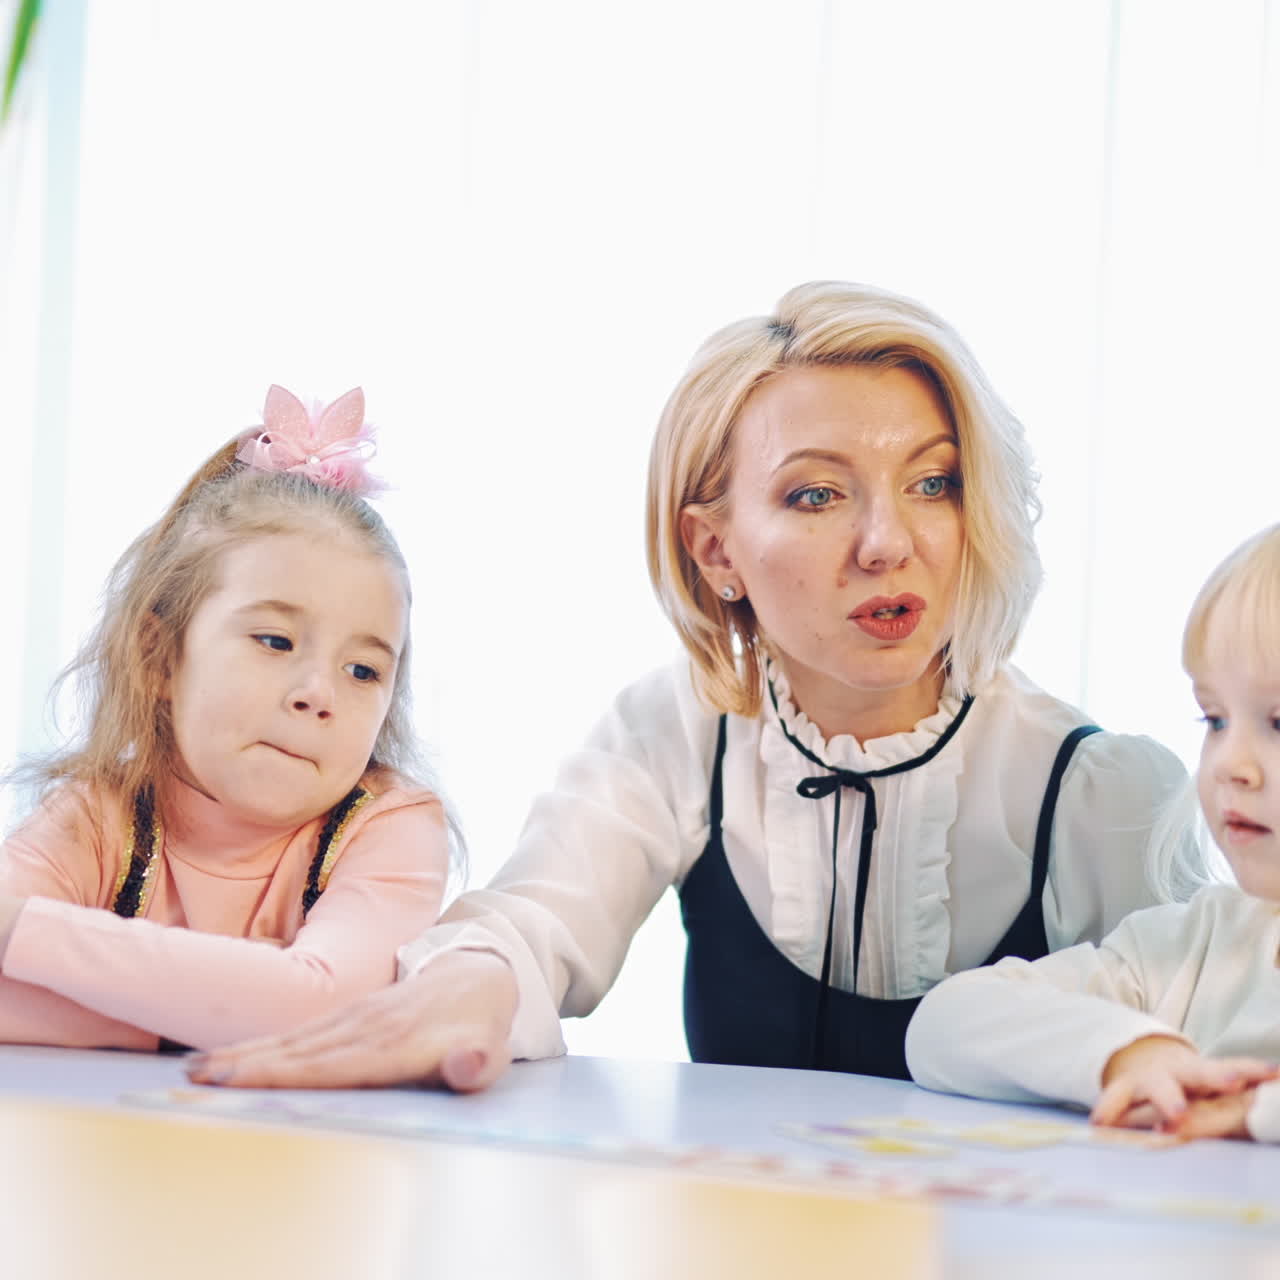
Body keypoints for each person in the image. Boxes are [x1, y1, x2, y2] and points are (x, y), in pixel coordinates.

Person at [187, 282, 1193, 1092]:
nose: (890, 543)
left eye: (933, 481)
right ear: (715, 550)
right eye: (816, 493)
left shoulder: (1099, 791)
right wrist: (468, 988)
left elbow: (1207, 1057)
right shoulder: (675, 730)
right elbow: (534, 920)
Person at [0, 385, 451, 1051]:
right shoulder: (97, 816)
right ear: (159, 657)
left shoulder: (389, 830)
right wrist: (213, 1017)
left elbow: (321, 1008)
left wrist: (21, 933)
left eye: (363, 670)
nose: (318, 693)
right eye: (275, 641)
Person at [903, 523, 1280, 1141]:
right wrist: (1129, 1053)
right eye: (1214, 718)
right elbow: (942, 1025)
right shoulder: (1198, 943)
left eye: (1278, 722)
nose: (1230, 764)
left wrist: (1257, 1112)